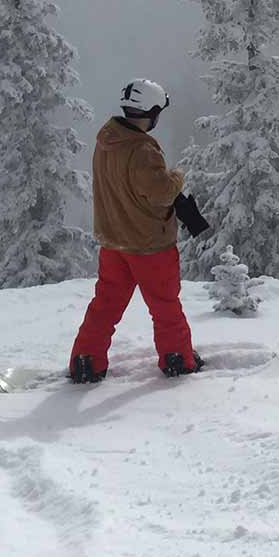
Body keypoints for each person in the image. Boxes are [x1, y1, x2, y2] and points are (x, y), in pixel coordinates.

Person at [67, 79, 204, 382]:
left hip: (114, 243)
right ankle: (177, 360)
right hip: (149, 246)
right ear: (152, 112)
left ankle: (86, 362)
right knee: (165, 307)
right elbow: (162, 192)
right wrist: (177, 176)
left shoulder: (107, 138)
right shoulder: (141, 149)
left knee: (104, 306)